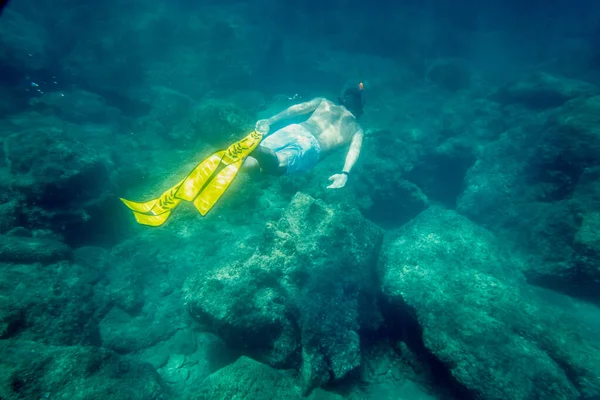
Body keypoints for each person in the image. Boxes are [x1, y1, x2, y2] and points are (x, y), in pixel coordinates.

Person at [246, 82, 365, 189]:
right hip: (312, 146)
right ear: (360, 108)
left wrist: (269, 121)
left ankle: (252, 151)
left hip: (295, 129)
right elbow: (354, 151)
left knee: (256, 159)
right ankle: (256, 150)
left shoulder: (324, 102)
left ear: (344, 98)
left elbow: (298, 109)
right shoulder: (356, 129)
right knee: (276, 164)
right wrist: (345, 173)